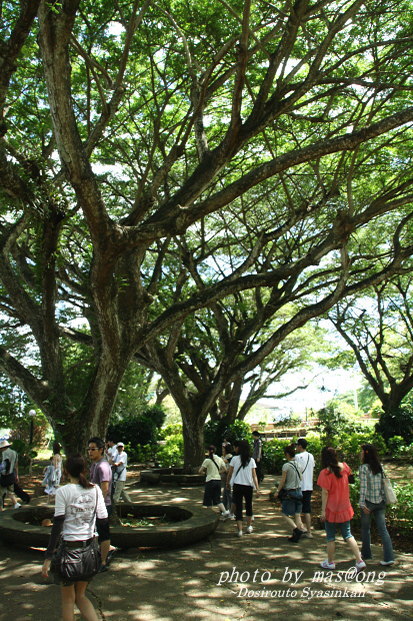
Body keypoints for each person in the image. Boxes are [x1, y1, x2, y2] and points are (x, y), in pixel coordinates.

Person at [41, 455, 108, 621]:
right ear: (84, 470)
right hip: (90, 552)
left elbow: (57, 525)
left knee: (68, 599)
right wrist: (104, 555)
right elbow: (103, 522)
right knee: (81, 596)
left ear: (65, 471)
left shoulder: (63, 491)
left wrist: (48, 557)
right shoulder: (96, 490)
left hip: (69, 552)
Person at [317, 447, 366, 571]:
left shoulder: (325, 473)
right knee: (348, 535)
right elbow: (350, 478)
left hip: (331, 509)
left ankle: (330, 562)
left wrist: (323, 511)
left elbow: (325, 493)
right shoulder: (344, 467)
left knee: (330, 537)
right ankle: (359, 560)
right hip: (344, 506)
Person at [359, 443, 395, 566]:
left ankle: (367, 554)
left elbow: (363, 487)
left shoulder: (364, 468)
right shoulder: (380, 466)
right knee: (383, 530)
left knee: (365, 529)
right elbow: (383, 485)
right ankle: (389, 557)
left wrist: (362, 503)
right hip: (380, 502)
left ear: (366, 453)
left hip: (368, 502)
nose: (361, 453)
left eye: (362, 451)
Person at [88, 437, 115, 572]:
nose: (90, 452)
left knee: (104, 534)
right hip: (94, 505)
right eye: (89, 449)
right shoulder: (95, 464)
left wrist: (100, 507)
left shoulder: (103, 466)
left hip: (102, 506)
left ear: (101, 450)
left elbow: (105, 488)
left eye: (93, 449)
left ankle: (103, 561)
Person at [227, 439, 260, 536]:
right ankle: (249, 526)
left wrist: (227, 482)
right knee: (249, 506)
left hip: (237, 485)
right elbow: (254, 475)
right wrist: (257, 489)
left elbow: (230, 473)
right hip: (248, 486)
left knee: (239, 507)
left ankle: (240, 530)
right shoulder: (251, 460)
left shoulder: (234, 459)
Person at [277, 444, 306, 542]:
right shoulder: (299, 465)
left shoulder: (286, 466)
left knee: (284, 514)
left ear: (288, 454)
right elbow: (301, 477)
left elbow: (283, 480)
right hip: (299, 491)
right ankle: (296, 535)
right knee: (297, 514)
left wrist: (277, 491)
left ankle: (296, 530)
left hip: (290, 492)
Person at [199, 445, 229, 517]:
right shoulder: (220, 459)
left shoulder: (207, 460)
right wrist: (218, 472)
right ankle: (224, 511)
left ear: (209, 451)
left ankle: (211, 515)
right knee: (217, 498)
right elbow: (225, 470)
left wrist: (206, 473)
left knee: (208, 499)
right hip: (218, 480)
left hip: (210, 480)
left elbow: (200, 471)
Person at [295, 438, 315, 537]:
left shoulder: (297, 457)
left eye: (297, 445)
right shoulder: (311, 456)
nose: (296, 447)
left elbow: (296, 470)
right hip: (309, 486)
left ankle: (300, 529)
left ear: (300, 446)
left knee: (297, 510)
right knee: (307, 510)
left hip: (299, 486)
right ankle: (309, 532)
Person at [0, 439, 21, 510]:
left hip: (3, 476)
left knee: (1, 493)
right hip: (11, 475)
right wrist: (17, 475)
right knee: (10, 491)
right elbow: (16, 465)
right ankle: (16, 504)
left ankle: (1, 508)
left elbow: (3, 465)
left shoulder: (3, 453)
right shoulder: (14, 453)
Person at [221, 443, 233, 515]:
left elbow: (226, 466)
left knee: (228, 492)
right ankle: (224, 508)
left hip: (227, 476)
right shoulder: (223, 456)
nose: (222, 450)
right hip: (224, 476)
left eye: (223, 449)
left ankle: (231, 509)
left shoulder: (229, 457)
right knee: (225, 493)